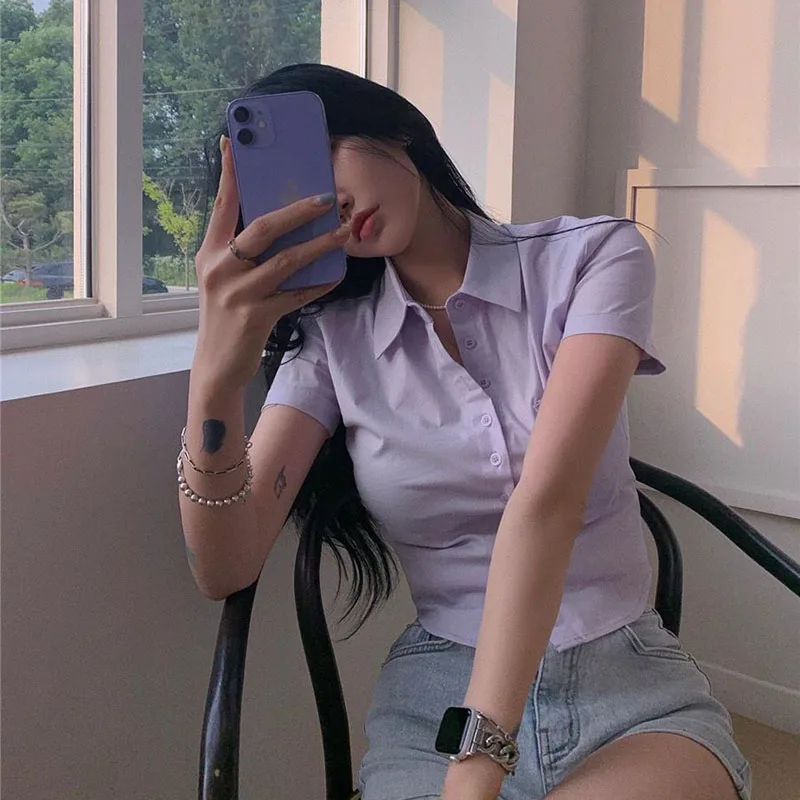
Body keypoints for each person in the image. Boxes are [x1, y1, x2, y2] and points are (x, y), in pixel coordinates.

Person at [179, 64, 751, 800]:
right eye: (297, 182)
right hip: (438, 692)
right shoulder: (329, 342)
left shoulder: (592, 258)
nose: (331, 197)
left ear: (397, 129)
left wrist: (477, 769)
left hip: (623, 680)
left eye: (330, 153)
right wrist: (215, 380)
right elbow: (224, 568)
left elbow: (547, 503)